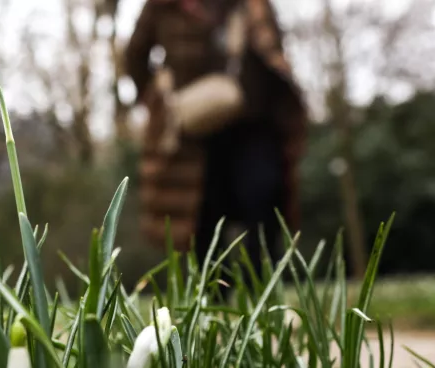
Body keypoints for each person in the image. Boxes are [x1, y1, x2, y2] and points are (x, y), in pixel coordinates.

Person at [124, 0, 307, 290]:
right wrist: (158, 99)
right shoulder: (163, 6)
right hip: (196, 135)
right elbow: (135, 55)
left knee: (264, 200)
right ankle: (214, 300)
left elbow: (272, 46)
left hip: (254, 123)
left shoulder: (252, 4)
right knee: (203, 218)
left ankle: (262, 292)